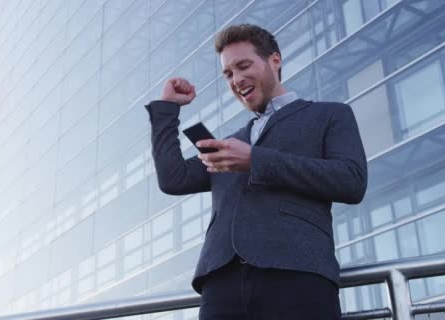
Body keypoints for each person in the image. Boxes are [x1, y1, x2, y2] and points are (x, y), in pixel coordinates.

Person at [144, 23, 367, 320]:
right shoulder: (231, 142)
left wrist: (256, 160)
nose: (236, 79)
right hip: (221, 286)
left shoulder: (329, 114)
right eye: (228, 74)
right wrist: (167, 109)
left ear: (275, 60)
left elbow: (351, 180)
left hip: (297, 276)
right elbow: (173, 178)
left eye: (243, 66)